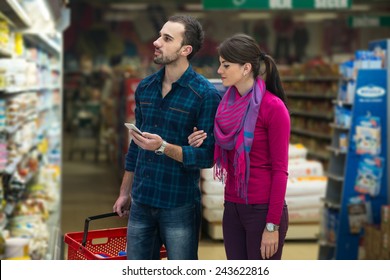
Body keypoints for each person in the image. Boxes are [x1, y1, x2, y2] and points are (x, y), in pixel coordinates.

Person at [113, 15, 220, 260]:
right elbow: (136, 146)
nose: (156, 42)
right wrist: (124, 192)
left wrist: (163, 147)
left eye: (167, 38)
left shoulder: (204, 95)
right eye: (160, 35)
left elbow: (207, 156)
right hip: (141, 202)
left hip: (178, 205)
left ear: (186, 49)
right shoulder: (145, 88)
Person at [189, 34, 290, 260]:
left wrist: (272, 226)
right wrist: (202, 139)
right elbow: (223, 145)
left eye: (225, 65)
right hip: (232, 206)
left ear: (245, 68)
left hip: (263, 210)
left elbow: (280, 170)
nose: (219, 70)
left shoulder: (273, 108)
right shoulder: (225, 105)